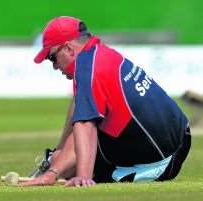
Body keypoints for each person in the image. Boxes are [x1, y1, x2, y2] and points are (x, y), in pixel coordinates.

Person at [19, 16, 191, 187]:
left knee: (87, 150)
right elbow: (79, 106)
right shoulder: (96, 53)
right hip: (182, 137)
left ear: (68, 49)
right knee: (81, 138)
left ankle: (57, 170)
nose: (55, 66)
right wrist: (58, 151)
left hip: (162, 162)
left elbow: (85, 125)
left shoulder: (88, 70)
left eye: (52, 58)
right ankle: (57, 165)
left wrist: (74, 175)